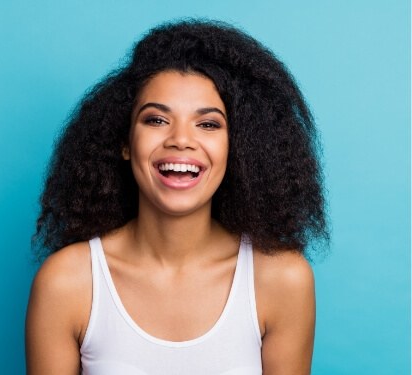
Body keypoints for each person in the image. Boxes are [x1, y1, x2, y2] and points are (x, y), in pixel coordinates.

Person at [26, 19, 328, 375]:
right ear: (124, 142)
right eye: (156, 120)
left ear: (238, 148)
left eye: (208, 124)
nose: (181, 139)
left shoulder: (282, 280)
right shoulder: (67, 283)